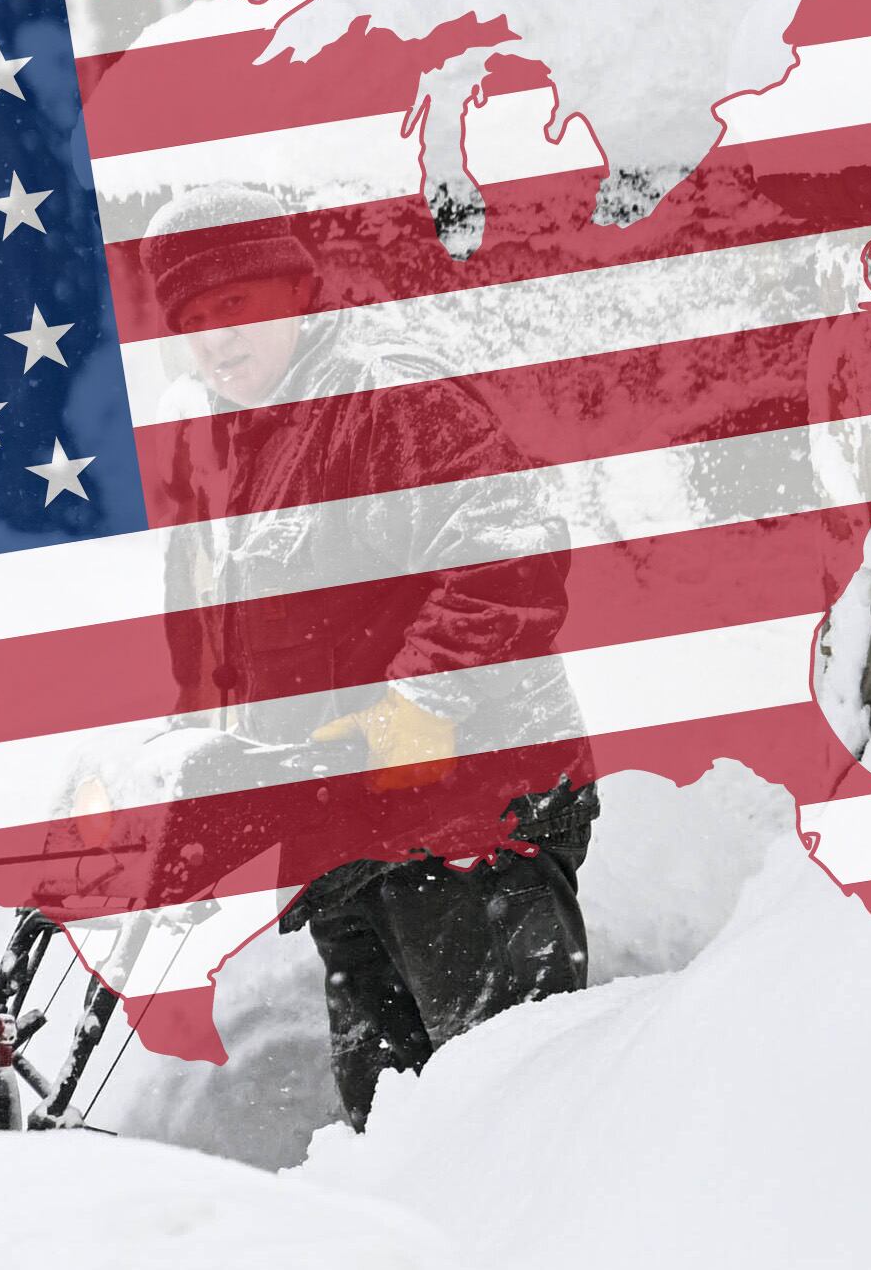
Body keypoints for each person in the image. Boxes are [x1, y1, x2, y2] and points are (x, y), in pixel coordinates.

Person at [138, 183, 599, 1128]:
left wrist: (422, 701)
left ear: (295, 291)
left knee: (518, 1111)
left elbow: (511, 548)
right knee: (396, 1129)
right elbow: (251, 653)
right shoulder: (242, 445)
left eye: (237, 306)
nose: (219, 341)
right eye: (195, 323)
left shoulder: (384, 394)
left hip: (468, 825)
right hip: (350, 839)